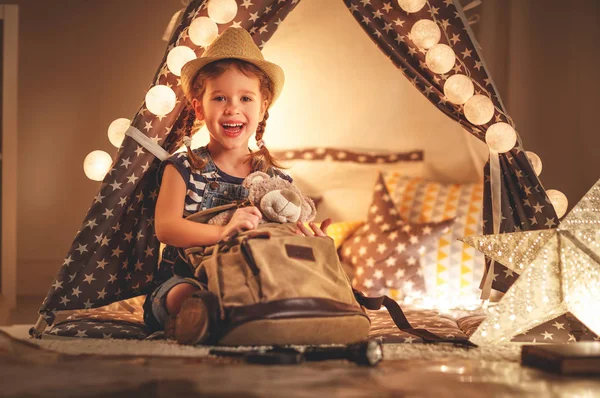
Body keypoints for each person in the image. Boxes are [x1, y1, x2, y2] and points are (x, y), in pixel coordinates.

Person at [143, 27, 332, 342]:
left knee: (287, 288)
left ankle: (238, 317)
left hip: (252, 282)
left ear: (263, 107)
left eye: (246, 97)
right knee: (184, 294)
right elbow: (166, 228)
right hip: (189, 279)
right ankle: (201, 316)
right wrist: (222, 232)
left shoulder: (275, 182)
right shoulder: (183, 168)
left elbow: (283, 240)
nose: (232, 108)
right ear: (199, 107)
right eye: (220, 98)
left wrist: (313, 241)